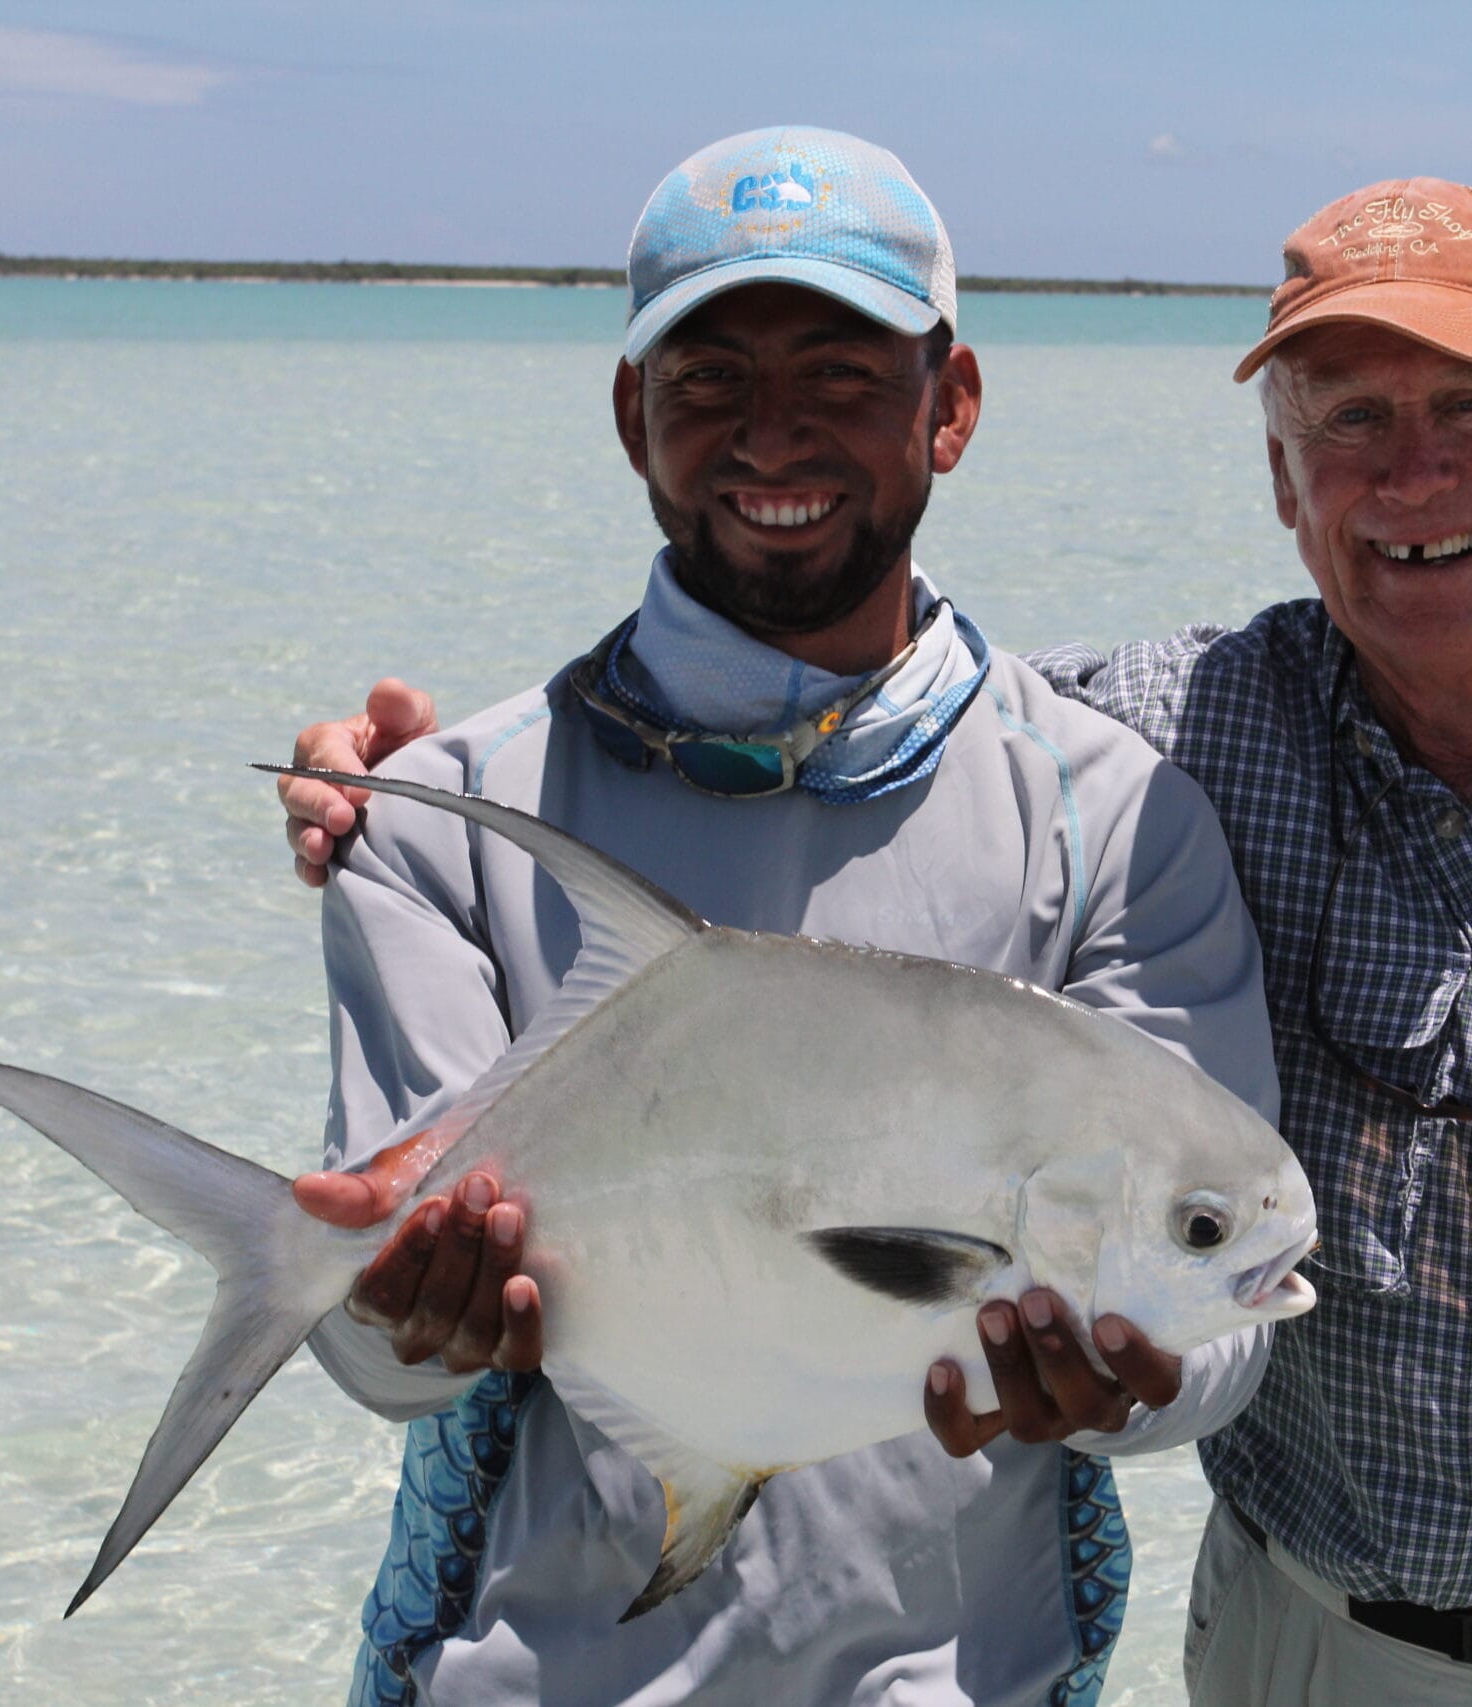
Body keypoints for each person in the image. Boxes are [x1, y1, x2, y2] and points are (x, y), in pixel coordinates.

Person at [290, 177, 1472, 1703]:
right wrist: (423, 778)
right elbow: (824, 739)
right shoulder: (1162, 738)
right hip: (1298, 1645)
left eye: (1471, 410)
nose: (1410, 478)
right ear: (1278, 476)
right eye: (1346, 421)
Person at [280, 125, 1281, 1707]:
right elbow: (363, 1355)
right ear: (633, 415)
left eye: (840, 377)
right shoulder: (442, 818)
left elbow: (1211, 1339)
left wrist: (1115, 1389)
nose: (772, 440)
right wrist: (405, 1317)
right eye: (708, 381)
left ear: (948, 408)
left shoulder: (1113, 816)